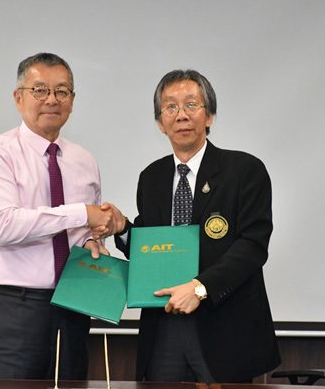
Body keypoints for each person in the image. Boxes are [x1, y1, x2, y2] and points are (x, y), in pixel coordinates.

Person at [111, 69, 281, 383]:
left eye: (191, 104)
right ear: (160, 122)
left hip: (225, 327)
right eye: (170, 107)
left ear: (209, 115)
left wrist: (200, 288)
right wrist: (121, 228)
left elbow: (252, 246)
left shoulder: (244, 170)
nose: (181, 115)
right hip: (164, 327)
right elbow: (151, 247)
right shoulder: (151, 177)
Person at [0, 52, 121, 379]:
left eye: (61, 91)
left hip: (72, 309)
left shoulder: (84, 161)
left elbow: (85, 231)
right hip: (8, 314)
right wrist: (82, 213)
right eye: (39, 90)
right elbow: (4, 227)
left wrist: (94, 240)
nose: (51, 99)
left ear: (72, 101)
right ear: (18, 97)